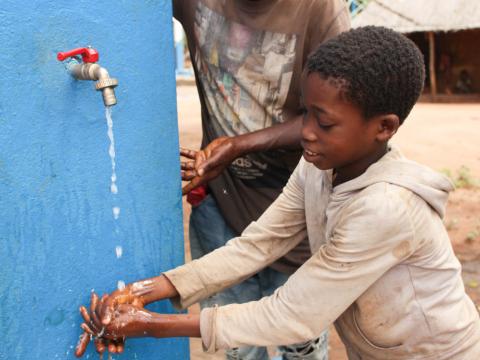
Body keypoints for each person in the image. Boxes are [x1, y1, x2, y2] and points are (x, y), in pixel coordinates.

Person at [76, 26, 480, 359]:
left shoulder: (387, 207)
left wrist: (151, 326)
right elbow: (257, 244)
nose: (305, 132)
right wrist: (147, 290)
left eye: (325, 123)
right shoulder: (318, 168)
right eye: (306, 113)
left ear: (384, 128)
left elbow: (292, 315)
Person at [176, 1, 350, 359]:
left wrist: (238, 145)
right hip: (220, 205)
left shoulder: (321, 11)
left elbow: (338, 116)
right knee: (239, 348)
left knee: (301, 348)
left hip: (301, 213)